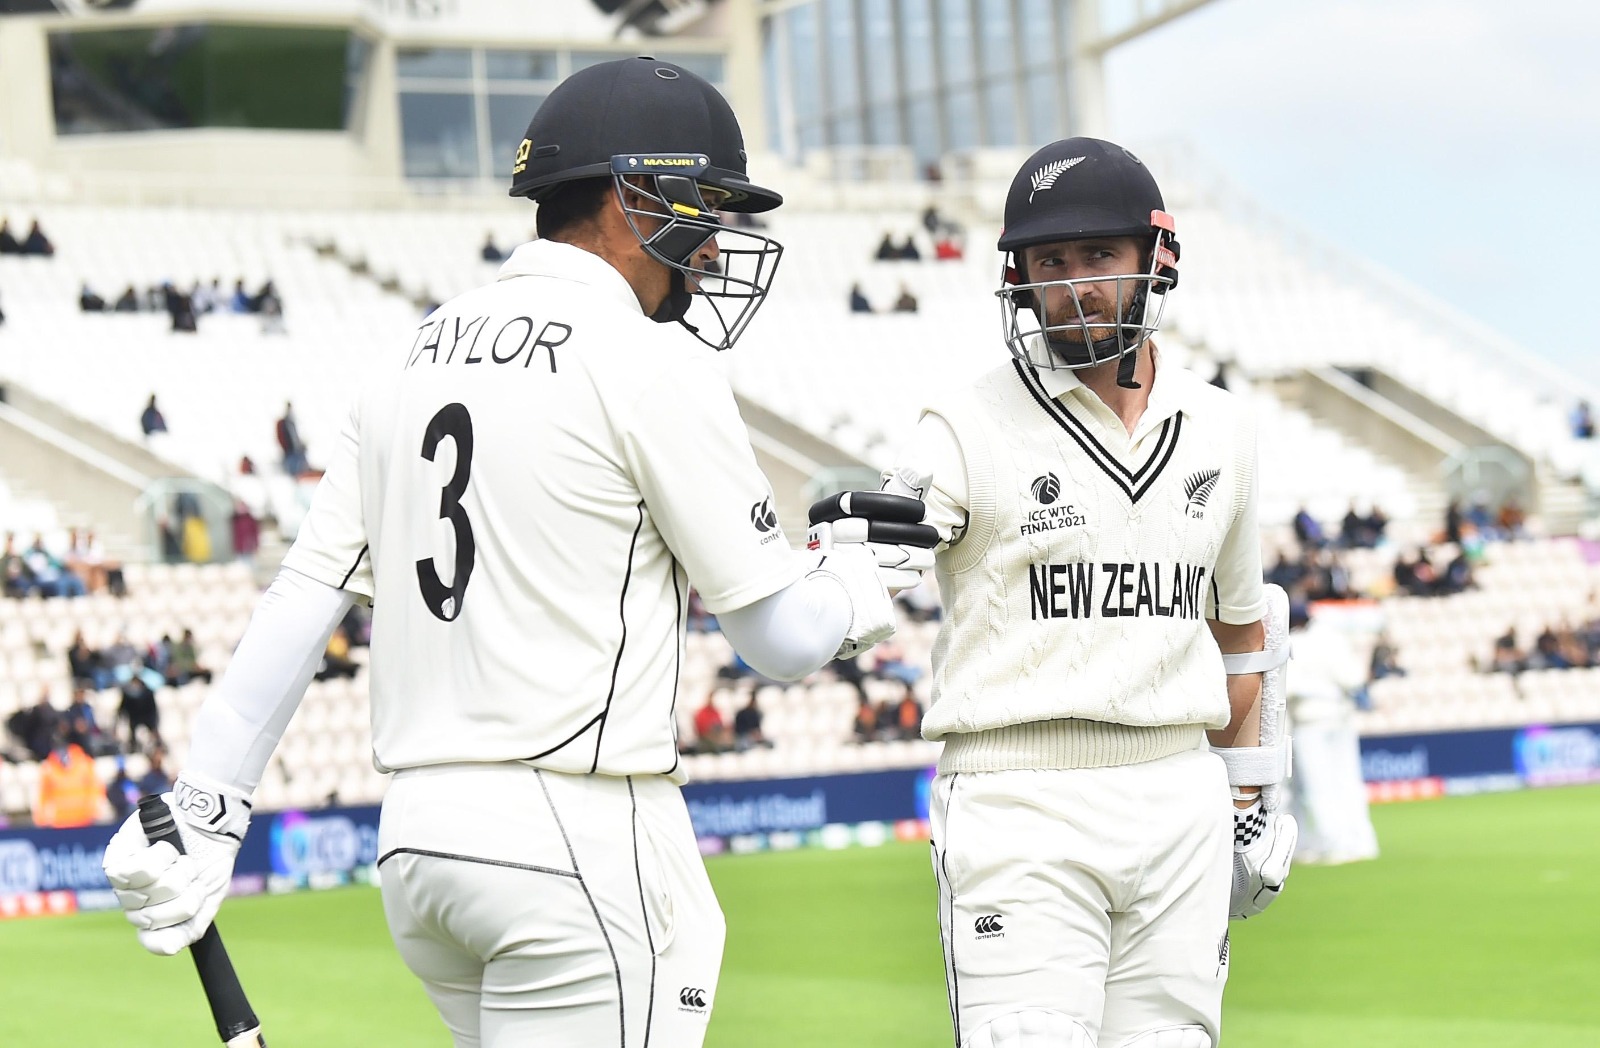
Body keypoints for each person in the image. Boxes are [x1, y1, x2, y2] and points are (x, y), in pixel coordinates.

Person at [101, 57, 920, 1048]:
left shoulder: (401, 359)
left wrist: (209, 807)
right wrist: (858, 576)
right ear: (629, 201)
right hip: (575, 832)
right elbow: (780, 639)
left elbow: (302, 597)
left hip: (419, 849)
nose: (711, 245)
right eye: (701, 206)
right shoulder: (651, 360)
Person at [868, 138, 1295, 1048]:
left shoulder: (1222, 426)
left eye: (1098, 257)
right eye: (1049, 262)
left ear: (1153, 262)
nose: (1073, 285)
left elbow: (1244, 636)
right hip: (1019, 796)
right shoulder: (962, 425)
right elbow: (888, 548)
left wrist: (1247, 800)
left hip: (1179, 792)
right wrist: (850, 569)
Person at [1286, 605, 1378, 865]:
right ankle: (1360, 842)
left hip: (1310, 721)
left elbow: (1288, 687)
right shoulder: (1333, 637)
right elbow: (1353, 677)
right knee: (1347, 781)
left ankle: (1335, 845)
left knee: (1319, 787)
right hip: (1341, 715)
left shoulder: (1293, 643)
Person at [276, 401, 308, 475]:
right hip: (289, 453)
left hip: (296, 451)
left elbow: (295, 438)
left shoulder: (292, 422)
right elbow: (281, 438)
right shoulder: (282, 423)